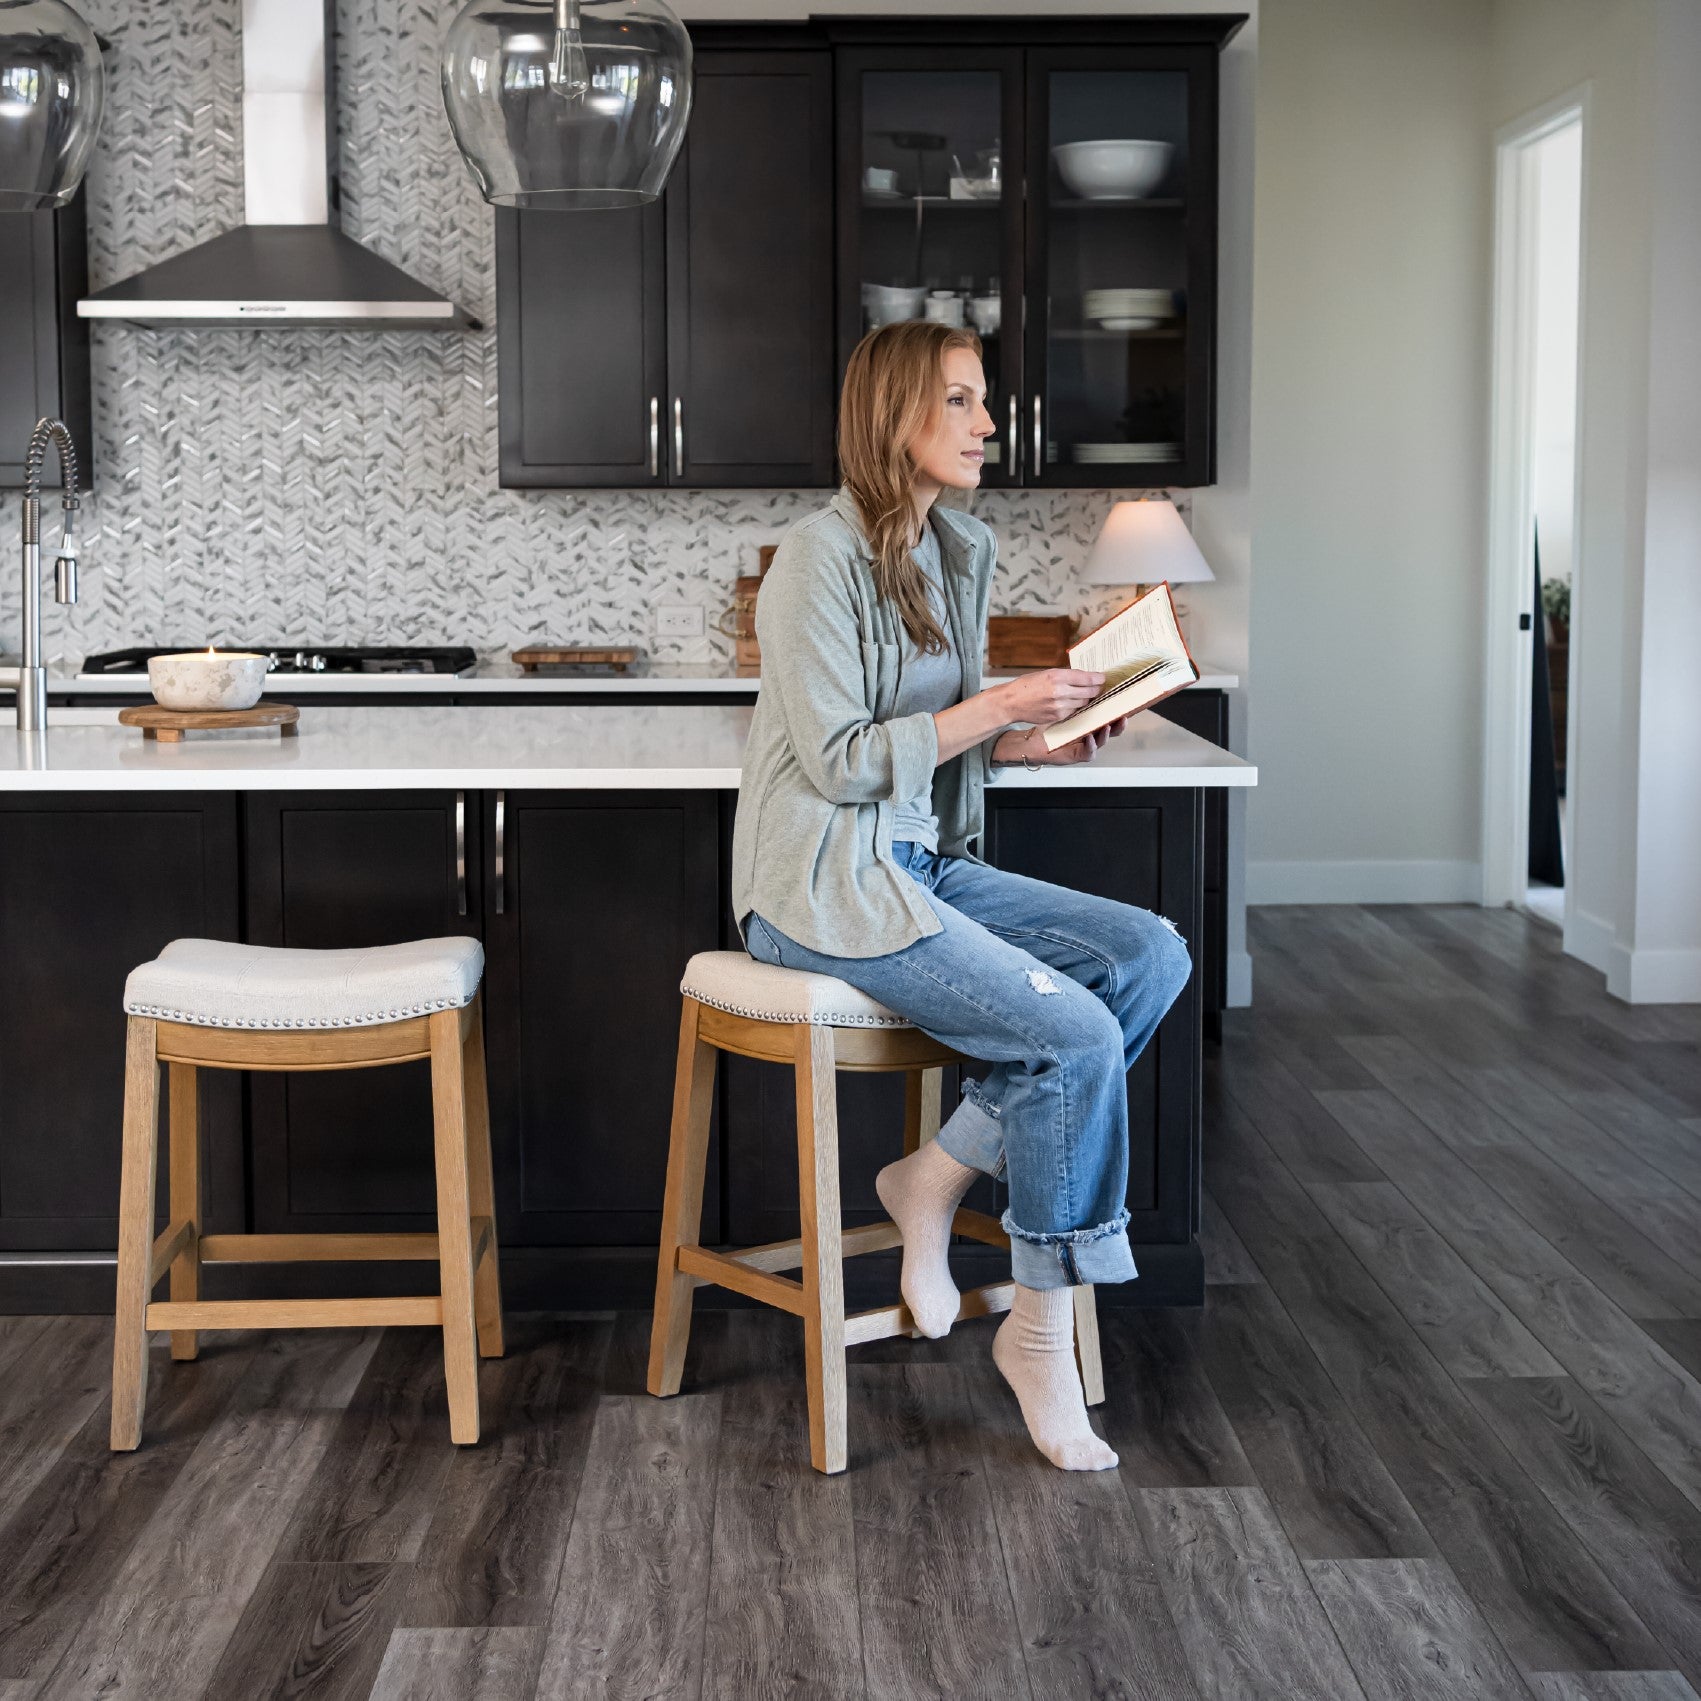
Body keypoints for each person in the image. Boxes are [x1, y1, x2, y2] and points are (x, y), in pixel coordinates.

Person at [729, 319, 1193, 1471]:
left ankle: (931, 1176)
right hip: (820, 884)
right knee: (1072, 1033)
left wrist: (1049, 738)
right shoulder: (811, 563)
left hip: (918, 861)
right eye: (960, 401)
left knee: (1150, 955)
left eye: (983, 401)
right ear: (895, 418)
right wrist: (1000, 706)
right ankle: (1038, 1334)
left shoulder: (949, 551)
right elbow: (840, 760)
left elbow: (946, 746)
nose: (988, 423)